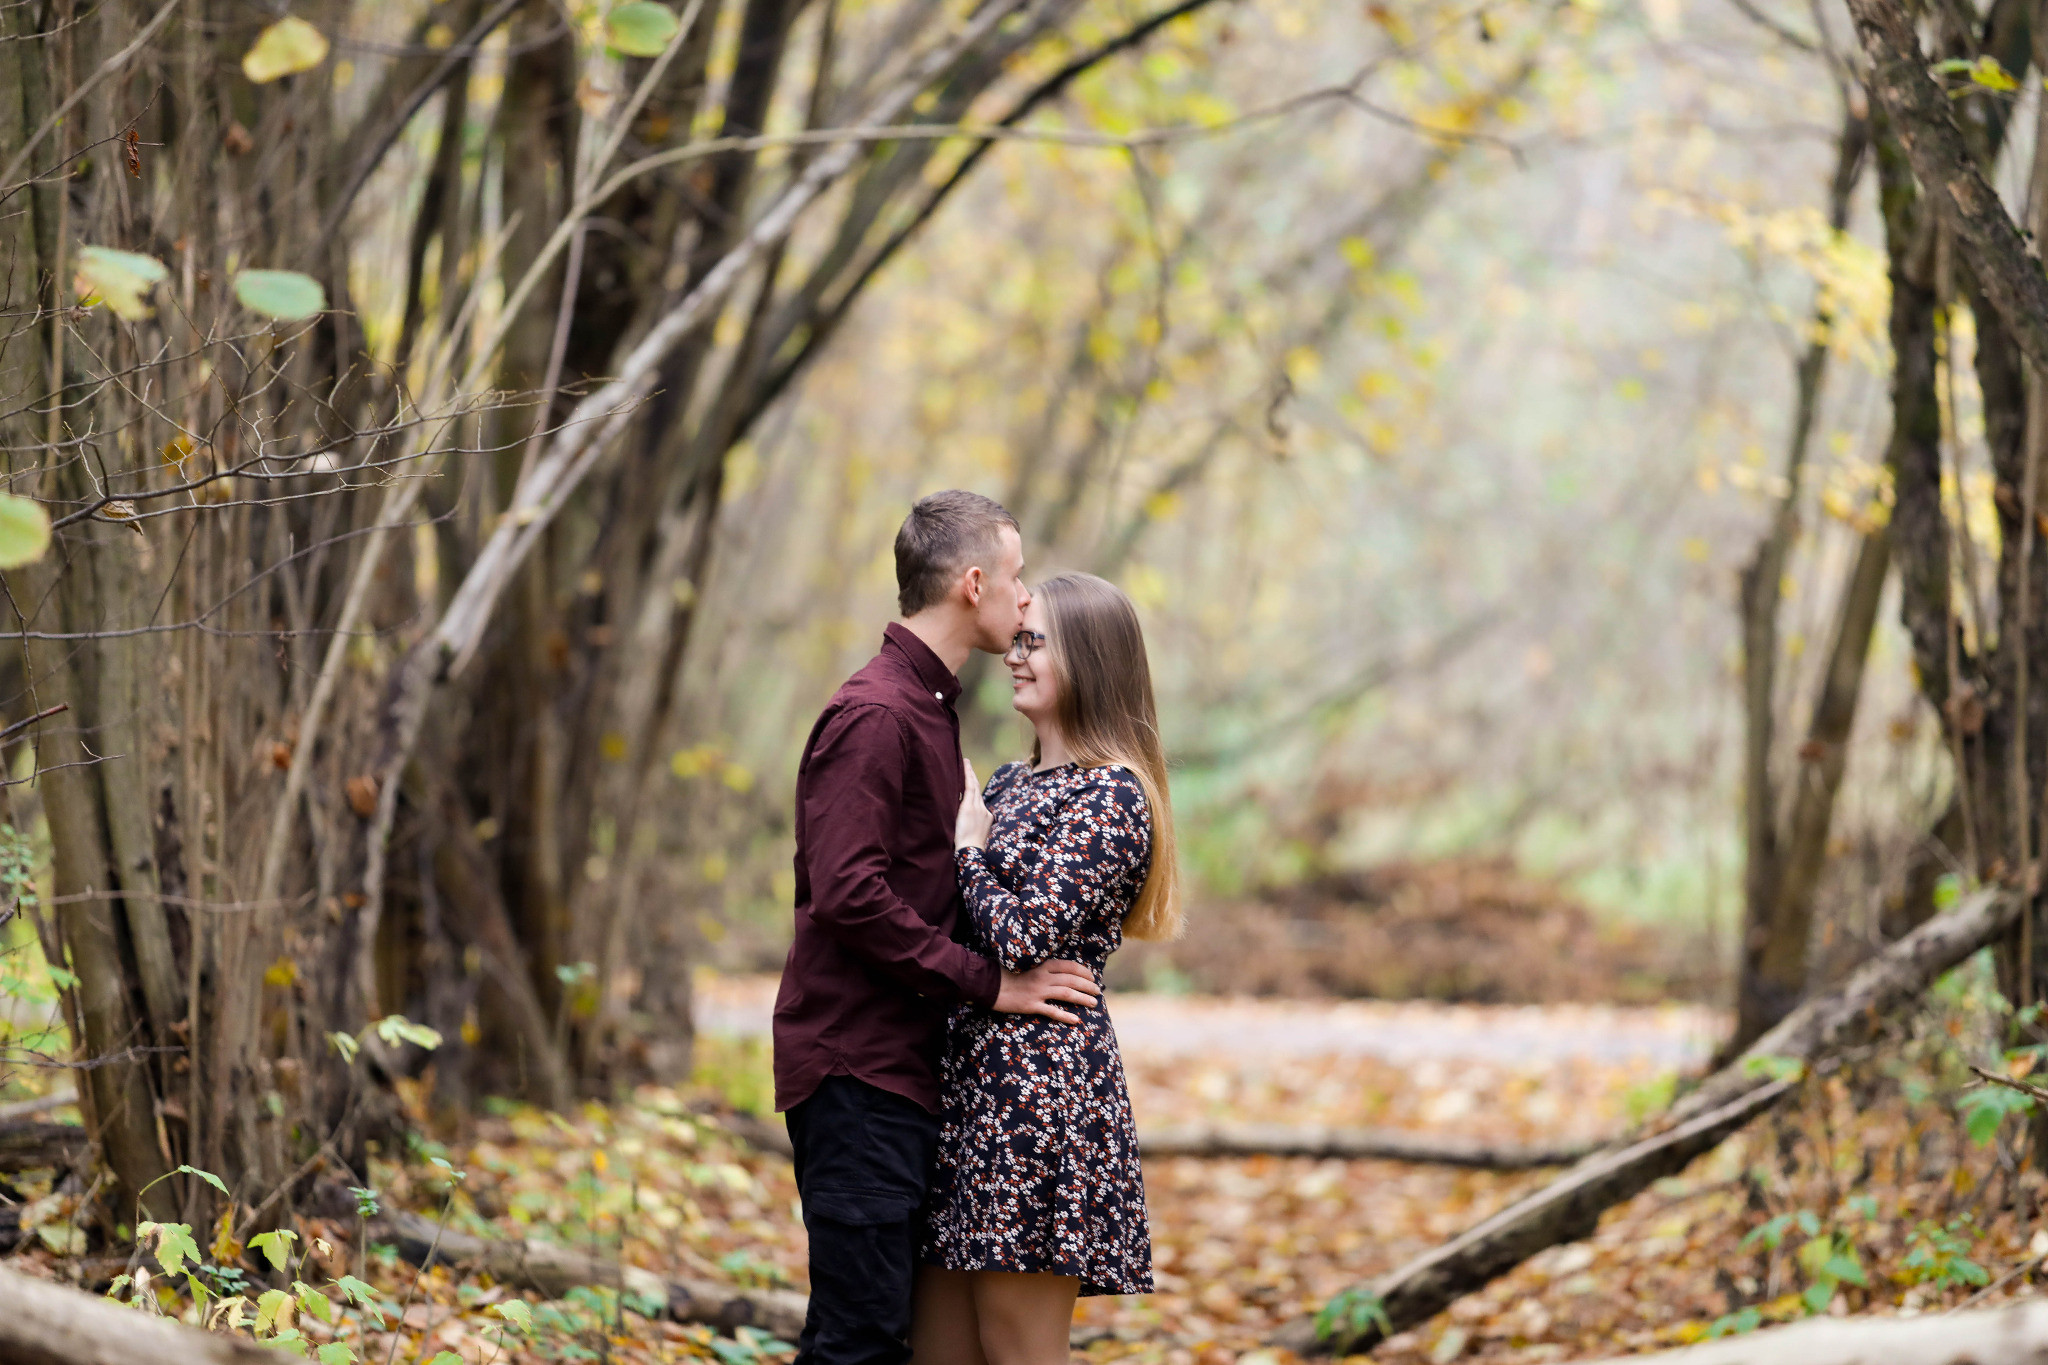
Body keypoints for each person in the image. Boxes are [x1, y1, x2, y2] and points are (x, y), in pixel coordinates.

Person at [774, 491, 1104, 1365]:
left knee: (877, 1334)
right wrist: (990, 982)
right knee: (858, 1341)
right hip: (856, 1070)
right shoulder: (878, 713)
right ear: (971, 583)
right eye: (1017, 575)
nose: (1025, 597)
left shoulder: (926, 708)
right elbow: (848, 895)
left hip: (903, 1076)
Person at [912, 572, 1183, 1365]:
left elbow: (1024, 934)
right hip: (968, 1089)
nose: (1015, 657)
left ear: (1092, 663)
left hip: (1039, 1095)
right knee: (936, 1350)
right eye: (1018, 641)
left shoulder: (1114, 797)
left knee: (1016, 1349)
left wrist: (968, 848)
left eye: (1036, 644)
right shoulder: (1006, 784)